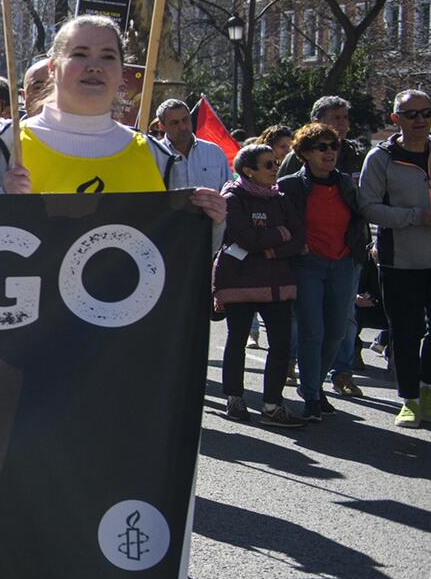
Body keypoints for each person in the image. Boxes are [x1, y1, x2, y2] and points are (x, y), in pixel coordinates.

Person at [0, 14, 226, 579]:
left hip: (124, 373)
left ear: (125, 73)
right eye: (80, 53)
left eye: (109, 56)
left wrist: (206, 219)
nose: (95, 66)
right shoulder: (4, 146)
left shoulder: (152, 155)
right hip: (28, 367)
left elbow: (179, 257)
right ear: (51, 64)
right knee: (43, 504)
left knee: (111, 507)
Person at [360, 89, 431, 428]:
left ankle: (427, 385)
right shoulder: (380, 158)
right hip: (400, 261)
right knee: (405, 331)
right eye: (411, 114)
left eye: (426, 113)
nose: (421, 120)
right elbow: (368, 207)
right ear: (396, 119)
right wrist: (416, 216)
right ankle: (410, 398)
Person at [214, 144, 307, 428]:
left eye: (276, 163)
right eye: (268, 165)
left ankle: (272, 405)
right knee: (237, 339)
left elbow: (298, 238)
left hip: (278, 283)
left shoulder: (280, 197)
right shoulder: (232, 197)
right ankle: (234, 399)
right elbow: (245, 238)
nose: (275, 169)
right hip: (240, 282)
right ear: (248, 171)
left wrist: (273, 248)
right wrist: (278, 233)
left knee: (280, 345)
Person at [280, 122, 368, 419]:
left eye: (333, 146)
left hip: (343, 263)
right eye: (322, 147)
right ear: (305, 153)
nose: (330, 152)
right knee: (312, 332)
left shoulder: (345, 183)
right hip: (307, 265)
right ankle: (314, 398)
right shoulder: (291, 185)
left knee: (337, 331)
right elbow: (280, 222)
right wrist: (296, 245)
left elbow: (360, 219)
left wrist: (361, 251)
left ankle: (312, 386)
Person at [151, 99, 232, 192]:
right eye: (174, 123)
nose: (183, 127)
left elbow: (228, 191)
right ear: (162, 126)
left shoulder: (214, 152)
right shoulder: (154, 154)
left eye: (185, 120)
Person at [279, 96, 364, 177]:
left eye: (345, 117)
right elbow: (282, 188)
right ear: (316, 123)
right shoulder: (300, 155)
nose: (343, 123)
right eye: (336, 118)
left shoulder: (355, 154)